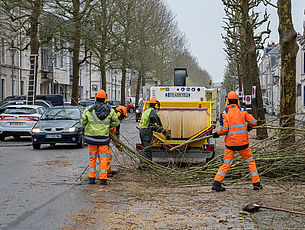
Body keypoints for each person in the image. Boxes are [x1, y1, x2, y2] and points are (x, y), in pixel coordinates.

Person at [211, 91, 262, 192]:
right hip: (243, 144)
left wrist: (217, 133)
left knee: (226, 164)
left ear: (228, 101)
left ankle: (216, 183)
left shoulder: (225, 114)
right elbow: (254, 122)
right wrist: (248, 127)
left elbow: (225, 129)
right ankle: (256, 184)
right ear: (237, 101)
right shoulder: (243, 111)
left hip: (230, 144)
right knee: (251, 162)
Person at [81, 90, 120, 185]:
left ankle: (92, 178)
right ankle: (103, 179)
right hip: (103, 139)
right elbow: (116, 122)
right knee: (103, 158)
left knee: (92, 158)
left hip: (91, 138)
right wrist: (108, 125)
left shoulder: (88, 109)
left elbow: (83, 122)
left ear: (95, 98)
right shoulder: (110, 110)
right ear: (105, 99)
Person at [138, 97, 163, 168]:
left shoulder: (147, 111)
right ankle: (144, 165)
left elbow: (151, 125)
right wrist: (160, 126)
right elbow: (156, 118)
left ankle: (146, 164)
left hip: (143, 131)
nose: (157, 107)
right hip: (146, 132)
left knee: (145, 148)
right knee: (147, 149)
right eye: (157, 105)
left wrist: (159, 129)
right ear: (155, 105)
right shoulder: (152, 111)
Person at [108, 105, 128, 176]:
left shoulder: (112, 117)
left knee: (106, 155)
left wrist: (118, 144)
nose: (122, 119)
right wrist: (118, 145)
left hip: (104, 139)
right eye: (122, 117)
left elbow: (115, 136)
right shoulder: (113, 120)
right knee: (106, 155)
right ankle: (106, 172)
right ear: (119, 114)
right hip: (104, 139)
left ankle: (108, 170)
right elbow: (114, 136)